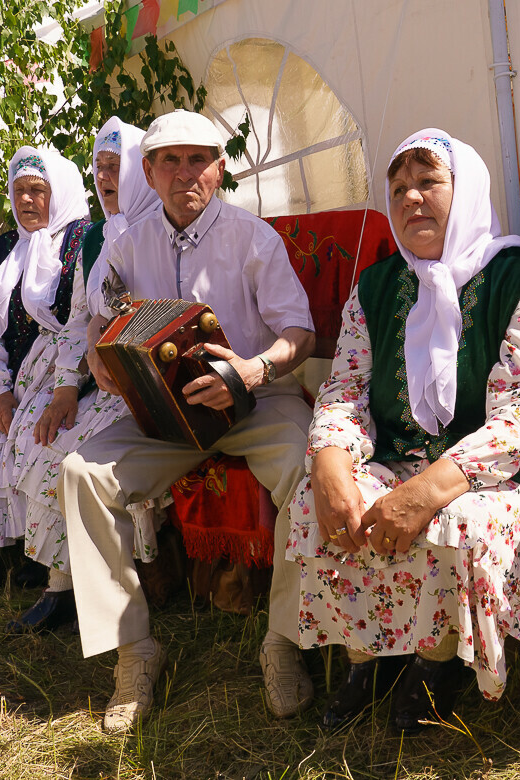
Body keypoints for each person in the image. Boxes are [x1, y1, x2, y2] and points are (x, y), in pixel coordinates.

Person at [287, 129, 520, 732]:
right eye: (399, 188)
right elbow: (346, 388)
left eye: (428, 182)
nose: (412, 198)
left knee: (454, 523)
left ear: (463, 191)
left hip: (492, 476)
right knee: (321, 502)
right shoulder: (378, 284)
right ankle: (368, 656)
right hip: (401, 457)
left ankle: (436, 663)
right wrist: (331, 463)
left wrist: (430, 488)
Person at [60, 109, 316, 733]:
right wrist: (98, 347)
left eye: (198, 158)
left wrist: (254, 371)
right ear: (147, 171)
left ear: (220, 166)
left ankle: (283, 640)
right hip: (164, 414)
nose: (185, 173)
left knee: (307, 470)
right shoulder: (125, 242)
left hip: (254, 403)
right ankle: (134, 649)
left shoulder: (253, 238)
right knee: (80, 472)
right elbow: (98, 312)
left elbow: (300, 334)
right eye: (169, 161)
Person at [13, 118, 162, 591]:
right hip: (103, 383)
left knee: (77, 456)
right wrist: (64, 390)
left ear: (140, 170)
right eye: (98, 166)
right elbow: (79, 318)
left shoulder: (162, 229)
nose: (103, 177)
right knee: (46, 437)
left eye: (115, 166)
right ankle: (64, 583)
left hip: (151, 384)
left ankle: (121, 579)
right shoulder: (97, 237)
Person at [0, 147, 93, 623]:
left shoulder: (85, 240)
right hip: (16, 385)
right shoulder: (2, 250)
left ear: (61, 192)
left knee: (45, 444)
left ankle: (63, 587)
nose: (28, 200)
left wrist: (61, 386)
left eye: (38, 190)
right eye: (20, 191)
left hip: (72, 379)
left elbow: (83, 320)